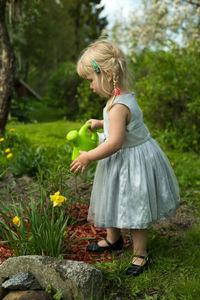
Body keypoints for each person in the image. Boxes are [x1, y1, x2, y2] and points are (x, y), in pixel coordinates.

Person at [70, 39, 180, 276]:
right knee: (112, 197)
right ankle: (114, 239)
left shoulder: (119, 106)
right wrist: (102, 122)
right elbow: (117, 127)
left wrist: (89, 156)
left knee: (134, 206)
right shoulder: (118, 98)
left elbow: (115, 142)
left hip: (131, 162)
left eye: (91, 80)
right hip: (121, 161)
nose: (90, 86)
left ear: (107, 75)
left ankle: (140, 254)